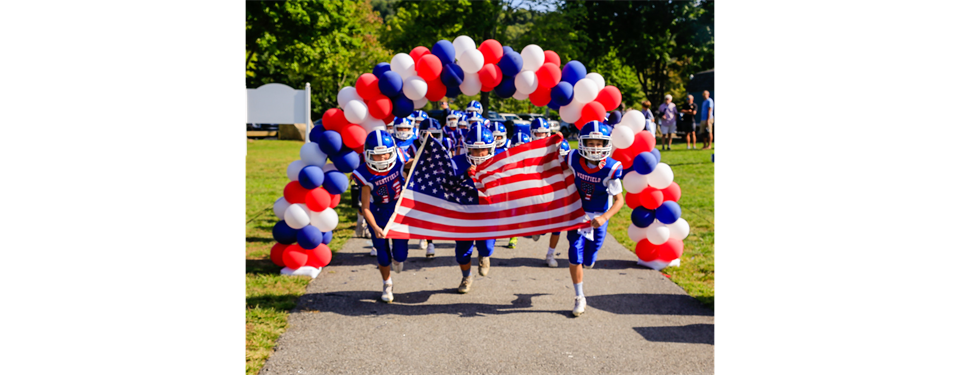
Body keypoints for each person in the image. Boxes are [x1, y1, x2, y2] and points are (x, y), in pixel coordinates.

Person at [565, 120, 624, 316]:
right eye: (591, 143)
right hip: (577, 215)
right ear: (583, 143)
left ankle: (589, 260)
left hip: (598, 218)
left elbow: (619, 200)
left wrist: (605, 217)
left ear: (606, 144)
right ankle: (579, 297)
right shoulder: (573, 158)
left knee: (589, 259)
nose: (595, 148)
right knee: (574, 254)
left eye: (599, 144)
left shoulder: (611, 168)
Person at [354, 130, 411, 303]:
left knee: (401, 255)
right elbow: (365, 207)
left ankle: (397, 258)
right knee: (382, 253)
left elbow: (414, 164)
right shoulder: (364, 173)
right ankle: (387, 283)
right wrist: (375, 227)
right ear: (368, 155)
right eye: (377, 156)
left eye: (386, 153)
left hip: (398, 210)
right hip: (377, 213)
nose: (383, 158)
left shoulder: (401, 158)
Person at [450, 124, 503, 293]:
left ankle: (483, 254)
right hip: (464, 214)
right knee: (462, 253)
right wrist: (464, 174)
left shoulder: (500, 161)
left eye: (484, 151)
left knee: (487, 248)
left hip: (487, 214)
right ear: (467, 149)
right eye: (474, 150)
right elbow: (445, 185)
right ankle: (466, 277)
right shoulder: (457, 163)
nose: (479, 155)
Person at [543, 139, 571, 267]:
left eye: (563, 156)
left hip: (561, 202)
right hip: (546, 201)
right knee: (542, 227)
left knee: (557, 229)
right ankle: (537, 230)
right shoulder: (546, 166)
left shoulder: (571, 168)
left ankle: (550, 254)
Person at [505, 132, 531, 249]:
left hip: (527, 190)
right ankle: (513, 235)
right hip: (512, 190)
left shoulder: (532, 159)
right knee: (512, 212)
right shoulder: (507, 160)